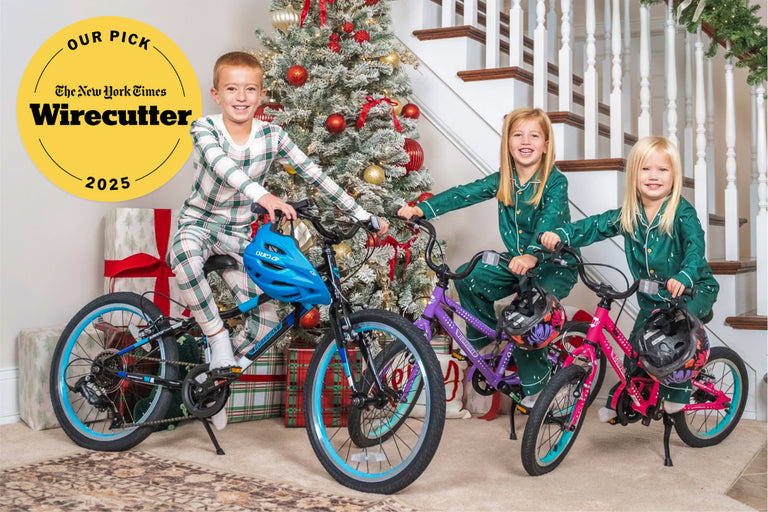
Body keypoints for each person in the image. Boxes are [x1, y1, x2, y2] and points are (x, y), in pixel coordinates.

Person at [168, 51, 388, 430]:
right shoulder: (204, 128)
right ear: (216, 94)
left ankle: (215, 380)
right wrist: (263, 196)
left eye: (250, 89)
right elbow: (224, 167)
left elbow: (314, 174)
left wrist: (361, 215)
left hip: (237, 235)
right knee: (183, 253)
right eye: (232, 89)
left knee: (268, 319)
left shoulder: (273, 135)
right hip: (200, 224)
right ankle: (217, 339)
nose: (241, 97)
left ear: (261, 94)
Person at [397, 107, 578, 407]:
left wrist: (533, 256)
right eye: (517, 134)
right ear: (507, 142)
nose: (525, 141)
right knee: (471, 276)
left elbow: (549, 222)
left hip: (553, 264)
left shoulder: (555, 182)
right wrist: (422, 209)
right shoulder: (503, 179)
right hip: (519, 261)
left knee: (528, 316)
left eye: (534, 135)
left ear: (546, 145)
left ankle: (541, 389)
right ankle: (486, 347)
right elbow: (464, 193)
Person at [540, 135, 719, 422]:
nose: (654, 176)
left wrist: (684, 275)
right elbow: (594, 225)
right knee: (635, 349)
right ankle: (625, 399)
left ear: (675, 176)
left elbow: (695, 249)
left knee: (679, 336)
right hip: (652, 298)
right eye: (646, 169)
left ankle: (677, 393)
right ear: (634, 174)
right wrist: (561, 234)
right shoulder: (629, 215)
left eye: (663, 170)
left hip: (693, 290)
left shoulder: (682, 213)